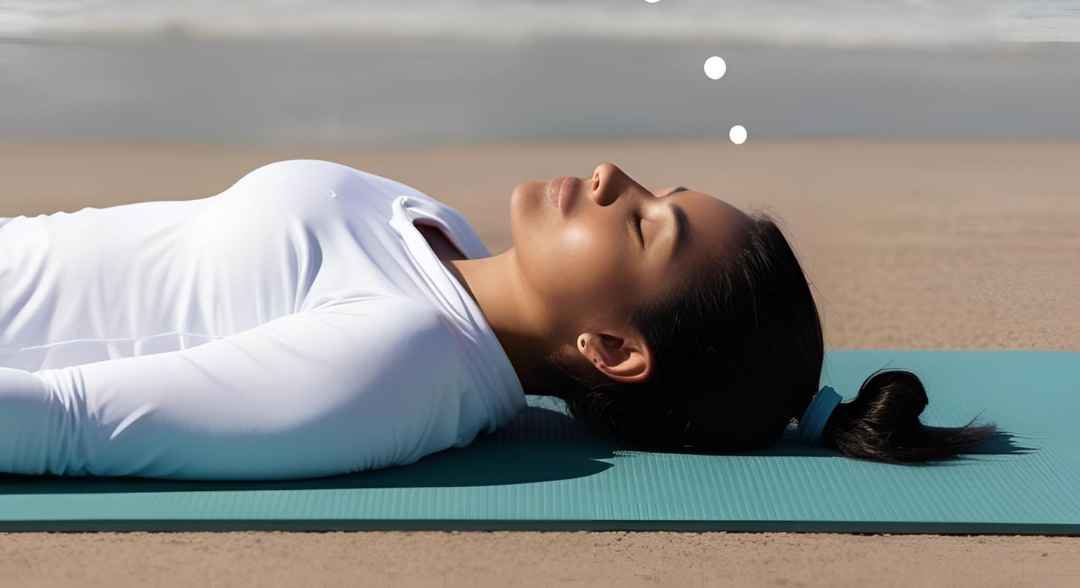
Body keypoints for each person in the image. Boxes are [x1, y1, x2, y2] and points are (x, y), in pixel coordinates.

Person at [0, 159, 995, 480]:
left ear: (611, 349)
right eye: (656, 188)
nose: (610, 176)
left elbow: (70, 424)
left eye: (645, 226)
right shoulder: (442, 232)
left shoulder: (402, 361)